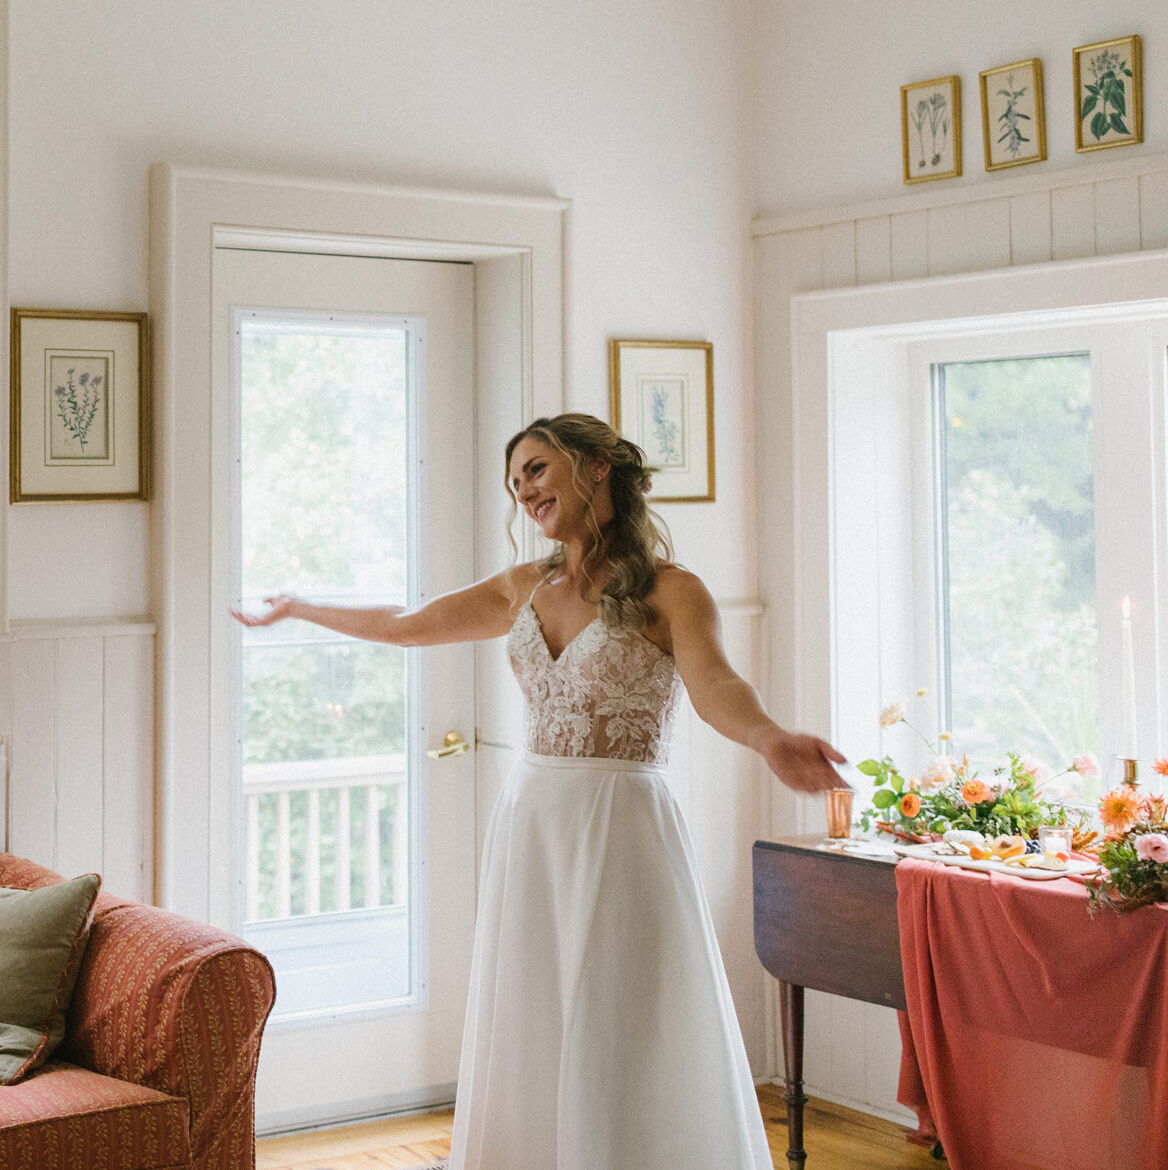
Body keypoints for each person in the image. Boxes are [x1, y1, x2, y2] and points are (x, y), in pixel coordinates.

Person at [232, 412, 847, 1169]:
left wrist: (767, 738)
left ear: (595, 467)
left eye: (536, 469)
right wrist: (298, 606)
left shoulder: (672, 590)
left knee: (621, 1013)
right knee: (532, 1015)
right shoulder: (526, 585)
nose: (524, 490)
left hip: (621, 824)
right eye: (515, 480)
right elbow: (404, 623)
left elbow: (717, 682)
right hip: (532, 821)